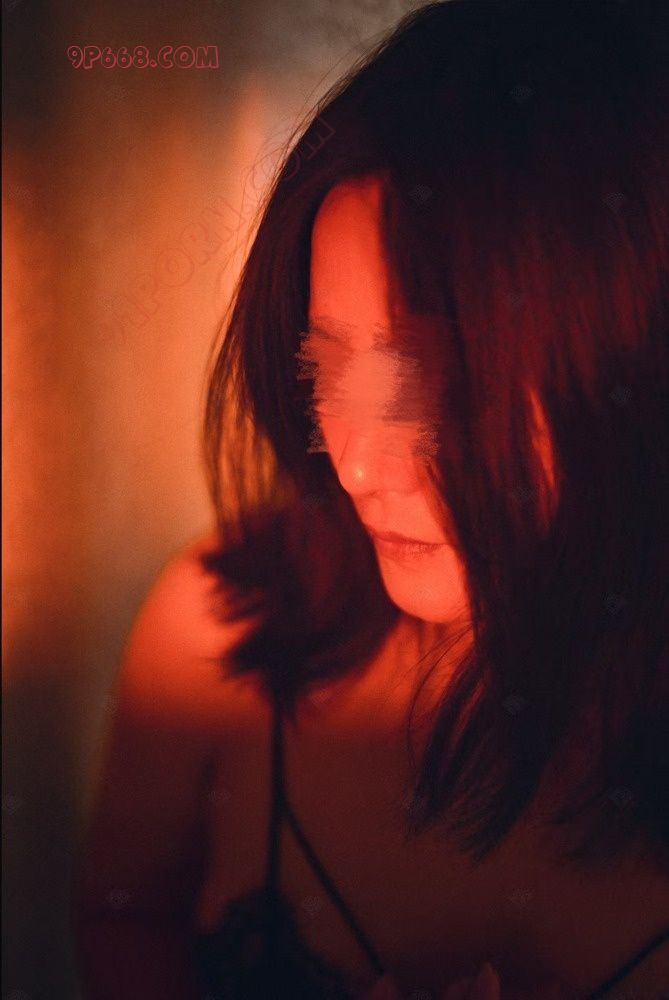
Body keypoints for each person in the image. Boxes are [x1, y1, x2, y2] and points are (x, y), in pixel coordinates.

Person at [73, 1, 669, 997]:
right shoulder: (221, 636)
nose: (355, 466)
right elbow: (122, 914)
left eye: (445, 389)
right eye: (330, 367)